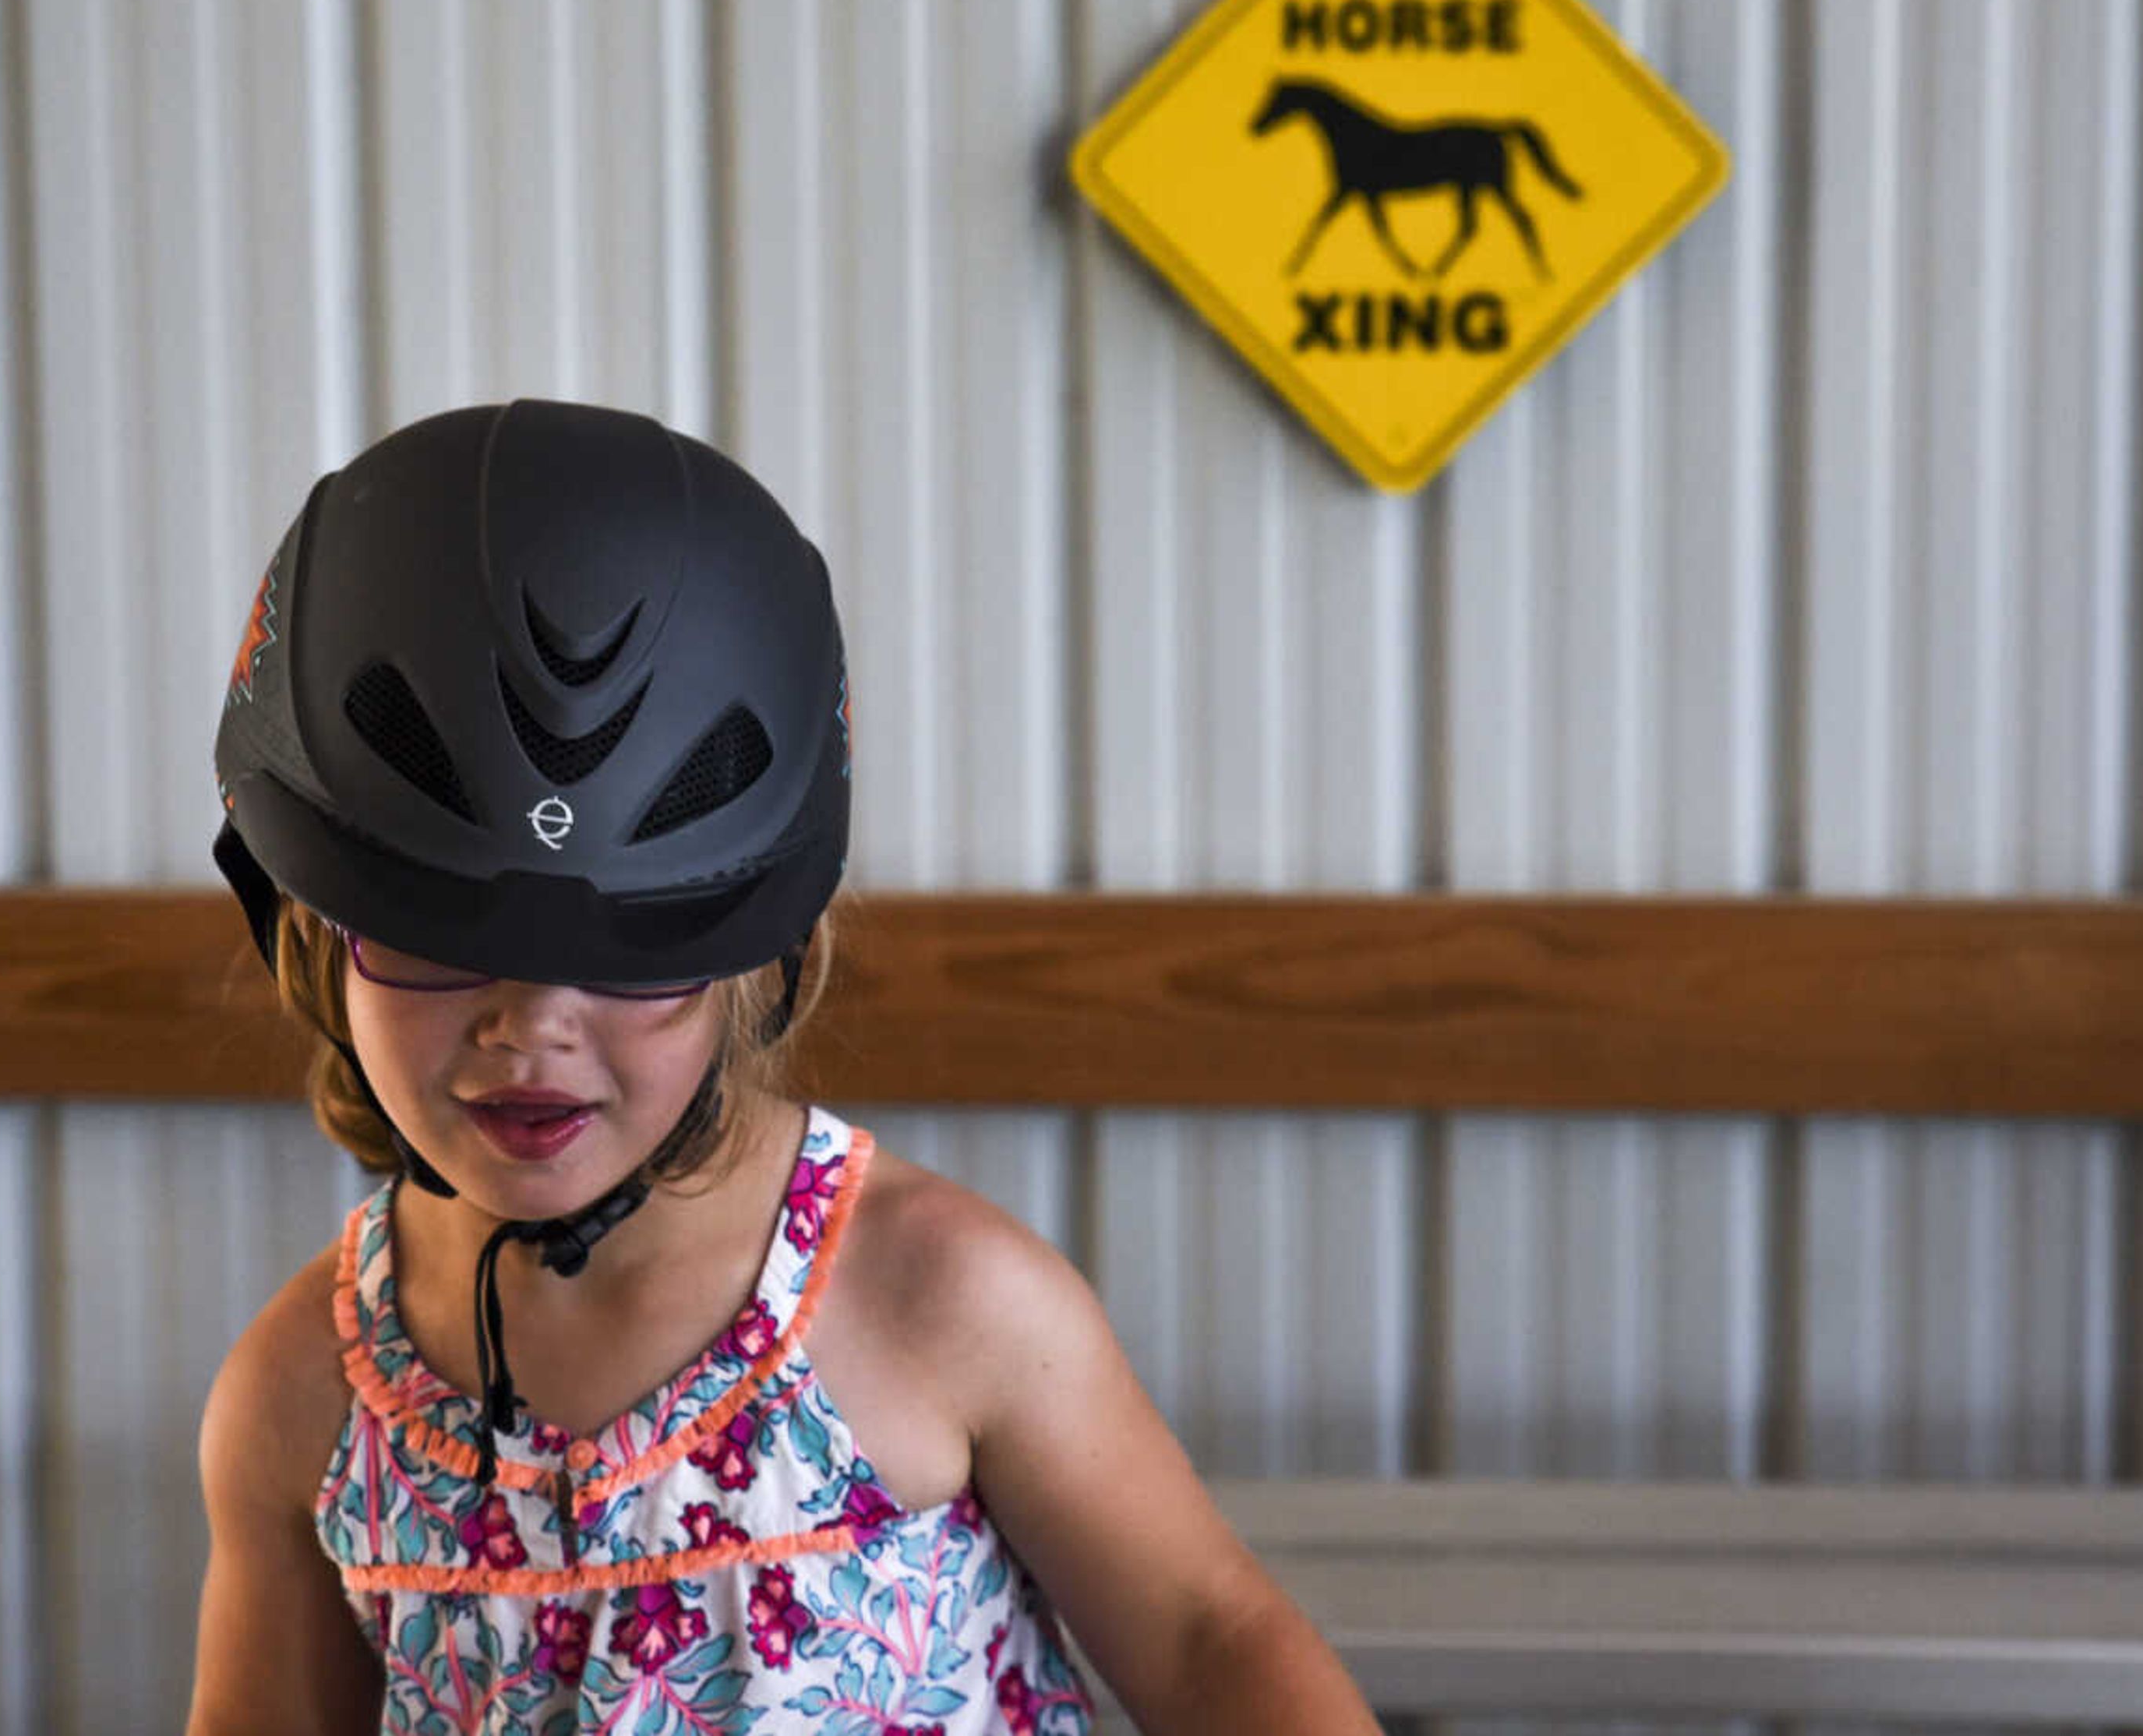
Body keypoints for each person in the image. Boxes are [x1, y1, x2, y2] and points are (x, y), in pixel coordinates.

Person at [186, 398, 1382, 1735]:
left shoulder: (939, 1299)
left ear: (760, 958)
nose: (530, 1027)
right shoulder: (305, 1394)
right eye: (432, 941)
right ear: (310, 930)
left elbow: (1212, 1641)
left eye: (637, 955)